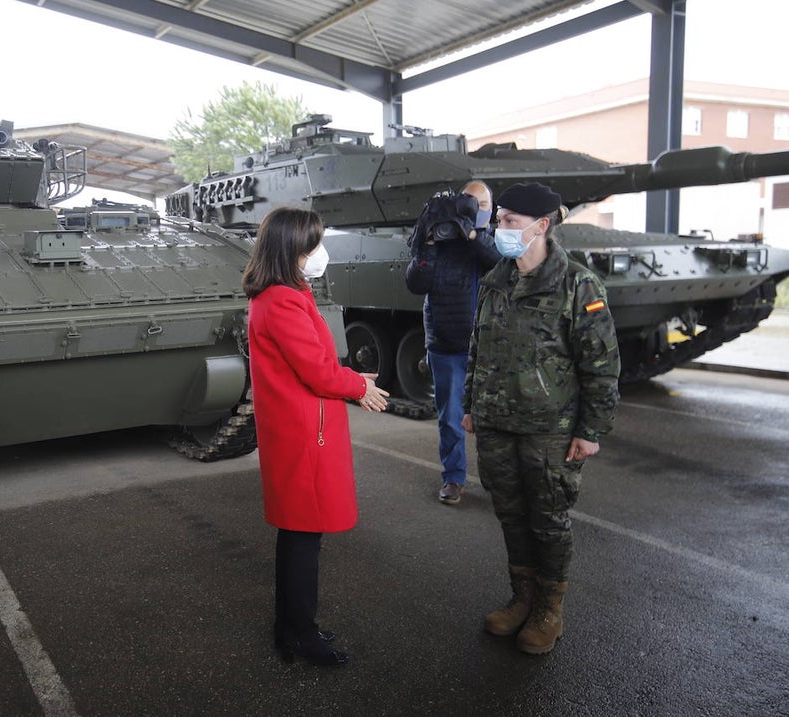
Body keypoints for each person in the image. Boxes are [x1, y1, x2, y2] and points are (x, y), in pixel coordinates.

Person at [461, 182, 620, 655]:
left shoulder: (577, 284)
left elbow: (602, 364)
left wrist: (591, 431)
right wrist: (471, 406)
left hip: (550, 430)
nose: (499, 229)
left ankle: (550, 609)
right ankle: (522, 599)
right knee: (510, 515)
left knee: (548, 519)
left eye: (509, 221)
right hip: (496, 423)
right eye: (500, 219)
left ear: (541, 225)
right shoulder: (496, 279)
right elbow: (478, 348)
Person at [242, 208, 389, 666]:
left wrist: (348, 378)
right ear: (292, 251)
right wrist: (358, 385)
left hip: (300, 429)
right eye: (313, 244)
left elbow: (315, 364)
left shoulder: (279, 294)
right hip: (305, 434)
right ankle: (299, 635)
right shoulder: (283, 300)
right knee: (304, 540)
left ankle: (292, 629)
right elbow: (317, 372)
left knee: (300, 536)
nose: (320, 252)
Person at [405, 181, 501, 505]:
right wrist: (429, 243)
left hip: (490, 347)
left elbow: (500, 264)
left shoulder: (496, 239)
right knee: (450, 417)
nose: (477, 208)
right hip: (447, 344)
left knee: (494, 419)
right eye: (471, 202)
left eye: (483, 203)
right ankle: (454, 478)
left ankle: (499, 482)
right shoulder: (440, 239)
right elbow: (415, 282)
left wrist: (472, 234)